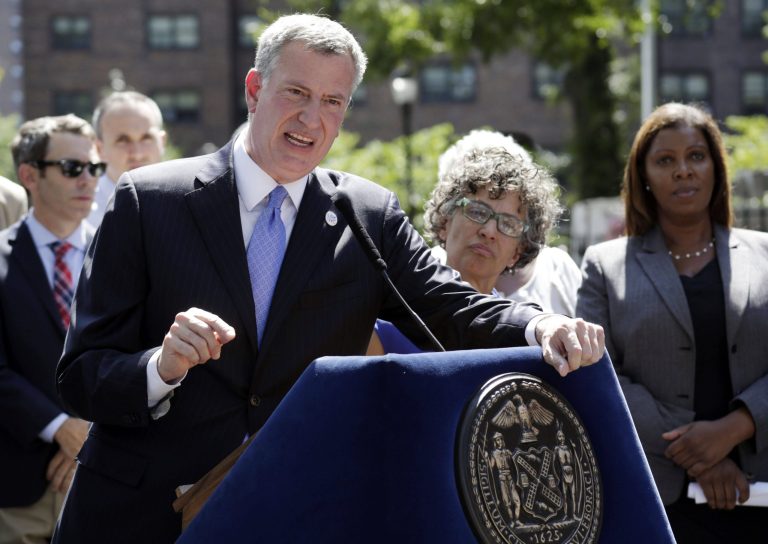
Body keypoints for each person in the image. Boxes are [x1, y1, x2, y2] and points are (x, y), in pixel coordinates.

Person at [54, 14, 604, 542]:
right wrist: (160, 368)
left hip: (296, 510)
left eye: (332, 101)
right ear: (254, 90)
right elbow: (82, 373)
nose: (312, 118)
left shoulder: (368, 215)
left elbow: (451, 306)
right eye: (296, 93)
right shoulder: (149, 201)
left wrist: (543, 326)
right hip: (144, 515)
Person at [576, 102, 768, 542]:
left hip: (759, 492)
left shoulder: (765, 253)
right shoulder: (605, 265)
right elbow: (596, 372)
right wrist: (697, 454)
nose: (683, 170)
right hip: (657, 498)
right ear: (643, 175)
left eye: (696, 156)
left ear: (716, 169)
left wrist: (735, 427)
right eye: (666, 160)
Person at [368, 130, 575, 354]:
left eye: (508, 224)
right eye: (476, 212)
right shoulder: (389, 324)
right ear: (445, 221)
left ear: (518, 251)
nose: (489, 231)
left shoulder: (524, 335)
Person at [0, 115, 99, 543]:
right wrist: (60, 427)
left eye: (94, 168)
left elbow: (142, 354)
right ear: (29, 175)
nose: (88, 180)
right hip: (21, 485)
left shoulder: (126, 252)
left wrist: (90, 433)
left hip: (104, 475)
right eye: (72, 168)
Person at [87, 90, 166, 228]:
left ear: (162, 142)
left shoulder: (187, 201)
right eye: (122, 141)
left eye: (146, 138)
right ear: (99, 149)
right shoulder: (81, 214)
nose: (137, 153)